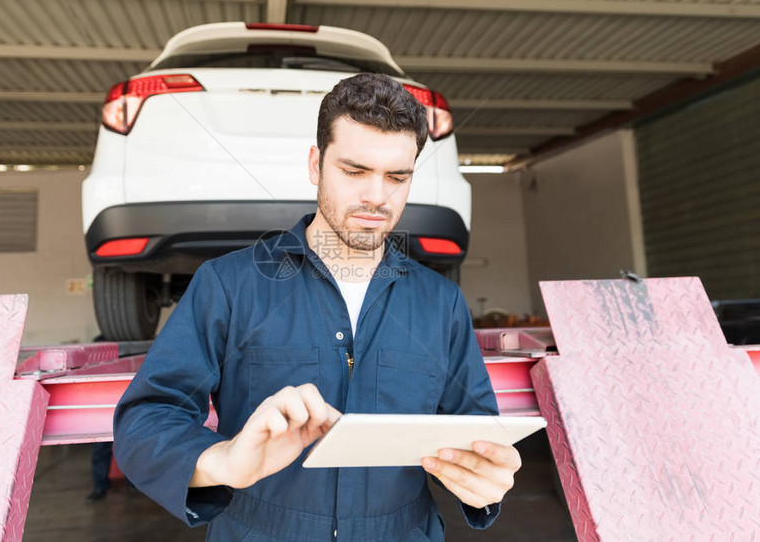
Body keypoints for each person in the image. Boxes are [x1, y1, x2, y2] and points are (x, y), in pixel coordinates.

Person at [113, 73, 521, 541]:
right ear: (315, 164)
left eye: (397, 177)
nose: (376, 196)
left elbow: (477, 426)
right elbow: (146, 419)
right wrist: (221, 461)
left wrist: (485, 478)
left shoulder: (441, 301)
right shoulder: (229, 285)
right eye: (354, 171)